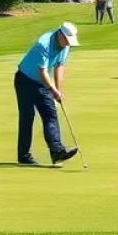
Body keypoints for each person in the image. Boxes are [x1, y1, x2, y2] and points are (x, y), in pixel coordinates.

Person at [14, 22, 81, 166]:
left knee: (50, 113)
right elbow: (42, 71)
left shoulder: (65, 46)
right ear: (60, 34)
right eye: (67, 40)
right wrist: (52, 89)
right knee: (27, 116)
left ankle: (57, 152)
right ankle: (24, 155)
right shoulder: (43, 43)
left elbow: (59, 66)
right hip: (24, 80)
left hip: (43, 83)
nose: (68, 43)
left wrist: (58, 88)